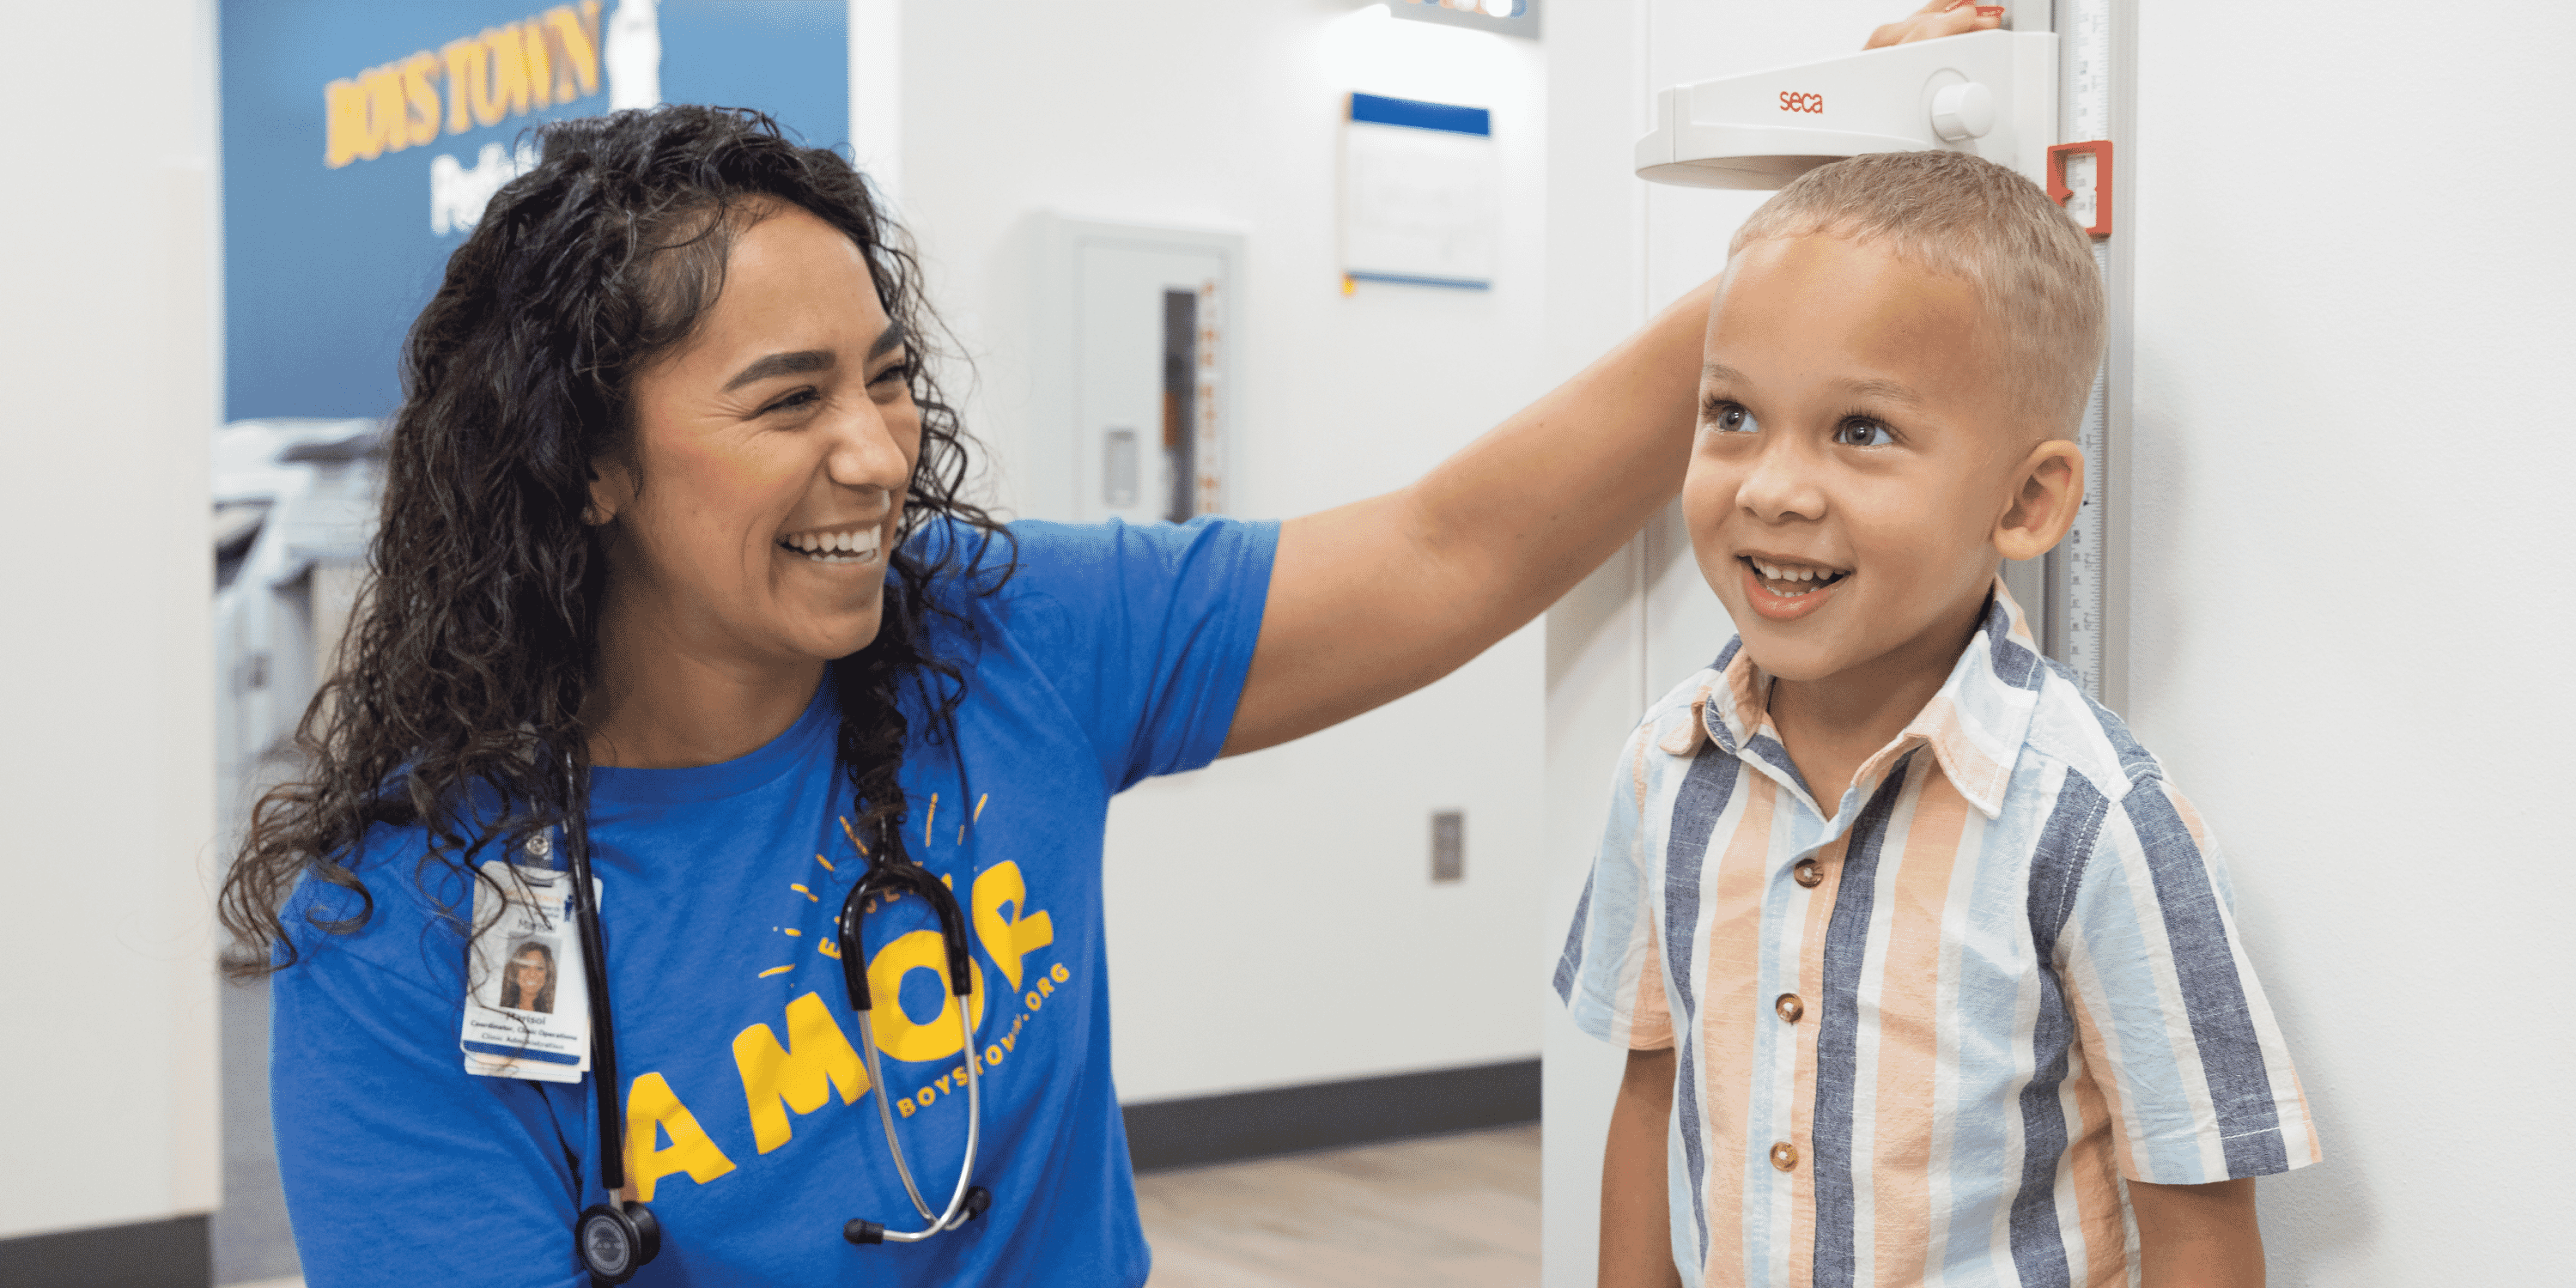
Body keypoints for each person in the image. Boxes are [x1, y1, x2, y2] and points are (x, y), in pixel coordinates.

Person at [220, 106, 1716, 1285]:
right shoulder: (401, 929)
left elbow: (1448, 550)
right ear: (586, 462)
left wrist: (1807, 240)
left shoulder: (1002, 638)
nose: (876, 454)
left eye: (886, 378)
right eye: (789, 399)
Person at [1552, 149, 2320, 1288]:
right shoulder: (1665, 769)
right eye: (1732, 415)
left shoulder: (2091, 820)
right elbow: (1651, 1088)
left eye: (1860, 430)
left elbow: (2199, 1212)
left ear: (2026, 502)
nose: (1772, 488)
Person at [498, 941, 557, 1015]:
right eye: (525, 966)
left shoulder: (556, 1011)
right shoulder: (499, 1004)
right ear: (515, 971)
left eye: (539, 968)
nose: (532, 974)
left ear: (548, 974)